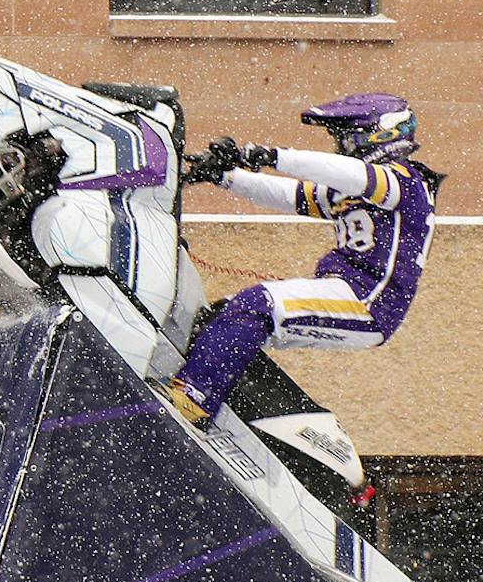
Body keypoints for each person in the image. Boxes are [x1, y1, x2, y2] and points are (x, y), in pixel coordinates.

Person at [160, 94, 442, 427]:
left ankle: (192, 401)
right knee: (225, 316)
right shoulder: (354, 190)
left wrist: (268, 155)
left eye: (347, 138)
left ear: (381, 135)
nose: (342, 146)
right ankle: (217, 407)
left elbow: (350, 173)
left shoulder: (405, 183)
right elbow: (288, 195)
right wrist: (223, 176)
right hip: (346, 292)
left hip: (369, 305)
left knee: (258, 304)